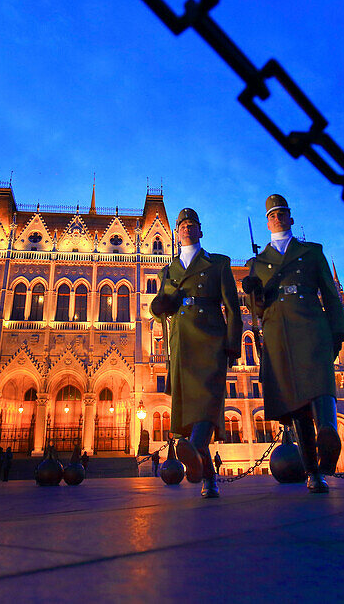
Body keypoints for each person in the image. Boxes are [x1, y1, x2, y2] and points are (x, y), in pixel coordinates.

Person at [243, 194, 344, 494]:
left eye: (282, 212)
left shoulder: (312, 252)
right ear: (267, 223)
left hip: (311, 324)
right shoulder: (258, 263)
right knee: (297, 405)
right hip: (278, 333)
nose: (277, 217)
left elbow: (330, 294)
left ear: (291, 217)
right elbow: (258, 312)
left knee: (319, 381)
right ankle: (314, 472)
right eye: (272, 214)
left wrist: (338, 332)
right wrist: (253, 293)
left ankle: (328, 430)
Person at [151, 208, 242, 499]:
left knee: (208, 398)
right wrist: (159, 307)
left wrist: (233, 344)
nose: (187, 228)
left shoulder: (217, 264)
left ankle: (192, 448)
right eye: (182, 225)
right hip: (181, 341)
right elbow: (160, 309)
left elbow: (233, 307)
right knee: (191, 409)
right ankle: (209, 479)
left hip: (211, 336)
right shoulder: (168, 270)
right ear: (176, 233)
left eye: (192, 224)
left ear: (201, 231)